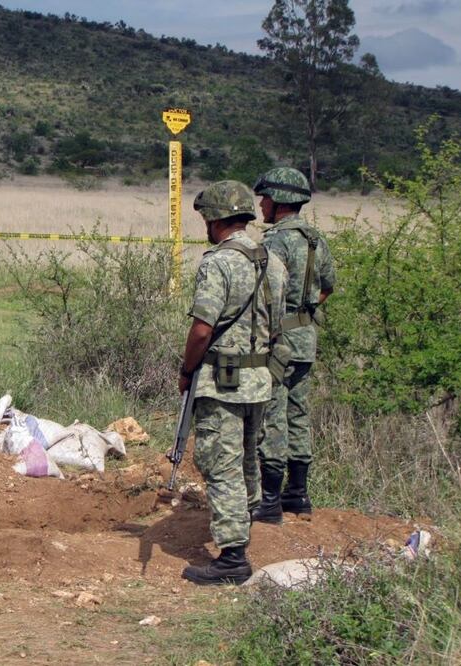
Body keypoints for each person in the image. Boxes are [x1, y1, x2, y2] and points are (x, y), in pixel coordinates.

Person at [178, 180, 286, 585]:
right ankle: (246, 524)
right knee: (245, 459)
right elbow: (279, 325)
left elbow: (202, 329)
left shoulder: (218, 262)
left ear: (217, 218)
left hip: (222, 380)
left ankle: (233, 556)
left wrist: (187, 371)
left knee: (220, 463)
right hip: (259, 377)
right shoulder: (271, 262)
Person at [250, 167, 336, 524]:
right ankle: (297, 494)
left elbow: (263, 293)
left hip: (280, 340)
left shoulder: (275, 242)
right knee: (299, 414)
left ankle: (269, 501)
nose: (261, 204)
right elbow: (327, 286)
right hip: (306, 338)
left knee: (273, 415)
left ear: (280, 201)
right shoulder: (316, 239)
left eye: (266, 197)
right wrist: (305, 313)